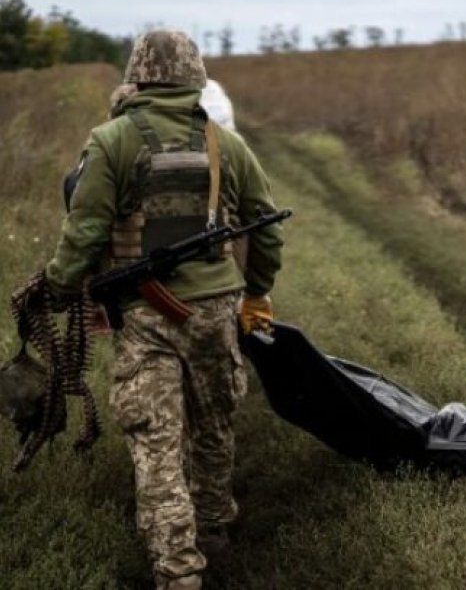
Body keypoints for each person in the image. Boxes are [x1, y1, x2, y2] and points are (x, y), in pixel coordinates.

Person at [44, 29, 285, 588]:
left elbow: (83, 233)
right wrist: (257, 291)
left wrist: (59, 287)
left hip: (145, 318)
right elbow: (266, 232)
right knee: (214, 422)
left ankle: (177, 570)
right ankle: (215, 525)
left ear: (139, 76)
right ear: (195, 77)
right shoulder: (229, 144)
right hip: (215, 310)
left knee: (155, 439)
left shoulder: (111, 141)